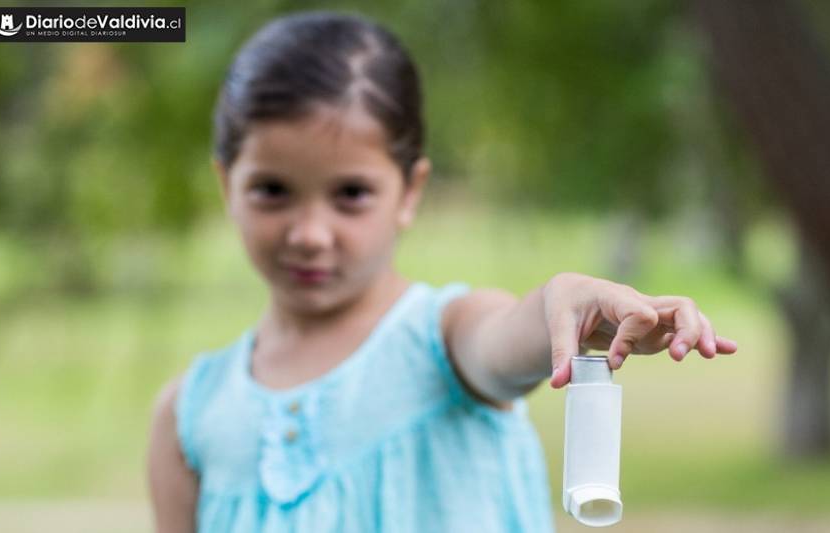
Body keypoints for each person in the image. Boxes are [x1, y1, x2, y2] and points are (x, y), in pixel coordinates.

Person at [147, 11, 737, 533]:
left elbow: (505, 343)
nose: (310, 233)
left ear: (410, 190)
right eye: (272, 190)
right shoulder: (189, 416)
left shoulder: (444, 338)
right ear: (227, 185)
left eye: (350, 194)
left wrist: (566, 303)